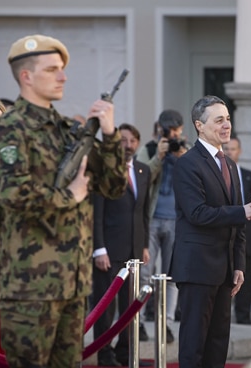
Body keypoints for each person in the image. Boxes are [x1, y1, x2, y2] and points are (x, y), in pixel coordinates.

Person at [0, 34, 127, 368]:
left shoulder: (66, 131)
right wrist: (69, 195)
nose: (63, 76)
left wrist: (108, 135)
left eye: (62, 69)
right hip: (30, 287)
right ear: (27, 77)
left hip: (73, 283)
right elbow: (12, 194)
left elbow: (113, 186)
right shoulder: (10, 130)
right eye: (52, 70)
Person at [170, 95, 251, 368]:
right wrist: (243, 211)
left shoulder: (229, 164)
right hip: (197, 269)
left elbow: (237, 221)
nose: (226, 125)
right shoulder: (187, 164)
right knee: (193, 345)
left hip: (225, 270)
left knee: (218, 344)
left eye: (228, 119)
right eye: (219, 120)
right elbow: (197, 213)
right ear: (199, 125)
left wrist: (239, 264)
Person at [92, 123, 151, 366]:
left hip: (134, 250)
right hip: (108, 250)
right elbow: (96, 212)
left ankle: (125, 354)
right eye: (123, 140)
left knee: (130, 307)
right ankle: (104, 355)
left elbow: (144, 211)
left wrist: (144, 245)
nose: (128, 145)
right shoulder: (104, 170)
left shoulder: (143, 170)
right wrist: (99, 248)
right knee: (105, 307)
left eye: (133, 140)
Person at [137, 109, 187, 343]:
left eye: (176, 131)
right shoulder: (148, 149)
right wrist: (159, 157)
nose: (173, 136)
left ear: (182, 130)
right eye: (169, 131)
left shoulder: (187, 151)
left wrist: (182, 158)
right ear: (160, 130)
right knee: (144, 274)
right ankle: (136, 323)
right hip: (151, 220)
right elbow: (141, 179)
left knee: (172, 276)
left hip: (177, 221)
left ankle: (165, 324)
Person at [223, 135, 251, 325]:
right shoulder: (219, 175)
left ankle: (243, 317)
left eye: (233, 149)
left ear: (239, 151)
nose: (230, 152)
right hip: (224, 234)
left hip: (247, 236)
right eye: (226, 149)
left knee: (245, 279)